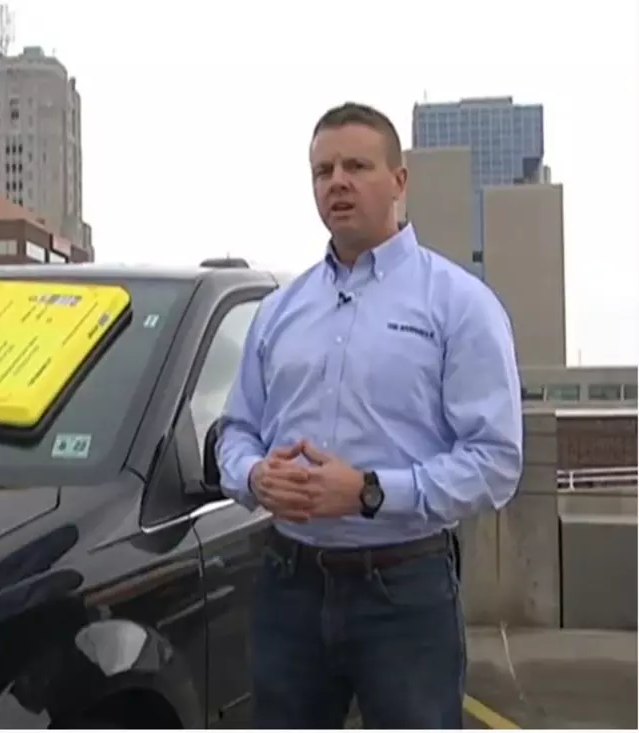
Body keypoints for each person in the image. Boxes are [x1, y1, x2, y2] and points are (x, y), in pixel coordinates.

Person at [216, 101, 523, 729]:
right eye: (323, 170)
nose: (337, 183)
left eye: (356, 165)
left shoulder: (460, 305)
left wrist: (369, 492)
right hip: (287, 583)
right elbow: (236, 429)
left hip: (404, 588)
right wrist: (253, 477)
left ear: (399, 182)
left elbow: (495, 462)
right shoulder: (281, 310)